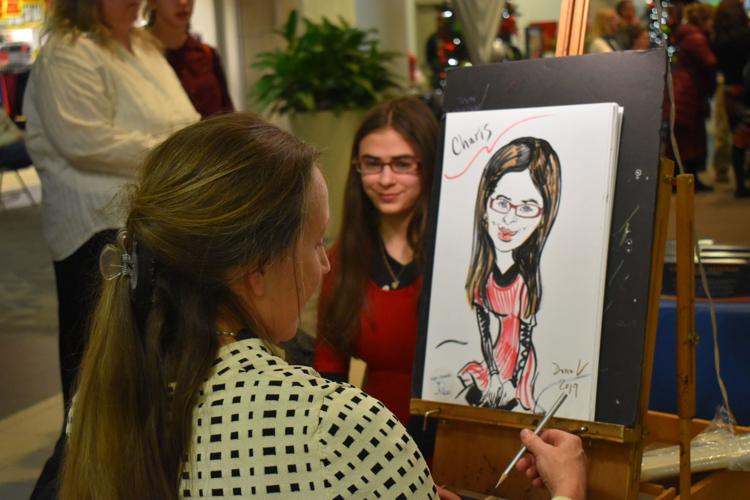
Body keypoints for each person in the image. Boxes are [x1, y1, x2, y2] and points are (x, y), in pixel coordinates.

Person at [58, 112, 587, 500]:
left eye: (403, 164)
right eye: (313, 243)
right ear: (256, 270)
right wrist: (566, 494)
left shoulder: (96, 400)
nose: (325, 265)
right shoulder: (335, 427)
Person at [23, 0, 200, 496]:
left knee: (145, 378)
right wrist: (178, 150)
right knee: (94, 390)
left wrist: (185, 144)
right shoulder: (68, 52)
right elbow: (87, 142)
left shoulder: (143, 45)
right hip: (94, 235)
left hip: (153, 222)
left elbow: (188, 119)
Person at [314, 97, 439, 450]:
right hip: (375, 446)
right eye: (372, 164)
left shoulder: (462, 254)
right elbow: (329, 369)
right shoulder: (340, 259)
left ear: (428, 164)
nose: (385, 179)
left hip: (457, 442)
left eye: (402, 164)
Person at [459, 137, 561, 411]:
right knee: (472, 402)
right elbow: (484, 332)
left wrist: (512, 380)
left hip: (519, 363)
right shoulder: (483, 276)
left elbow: (525, 340)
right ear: (485, 203)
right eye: (502, 203)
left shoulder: (524, 284)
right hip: (495, 358)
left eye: (527, 208)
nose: (510, 219)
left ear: (543, 218)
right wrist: (492, 374)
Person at [146, 0, 234, 118]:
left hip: (212, 134)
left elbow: (227, 111)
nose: (183, 3)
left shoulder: (207, 54)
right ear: (152, 2)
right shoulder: (139, 55)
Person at [668, 3, 717, 191]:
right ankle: (688, 181)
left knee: (683, 138)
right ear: (704, 20)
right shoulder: (696, 37)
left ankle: (683, 180)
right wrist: (710, 88)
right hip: (688, 90)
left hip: (682, 88)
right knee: (689, 138)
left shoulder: (686, 35)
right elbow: (709, 63)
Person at [712, 0, 750, 197]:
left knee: (737, 136)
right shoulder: (745, 36)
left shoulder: (717, 38)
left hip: (727, 90)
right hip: (745, 89)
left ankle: (740, 184)